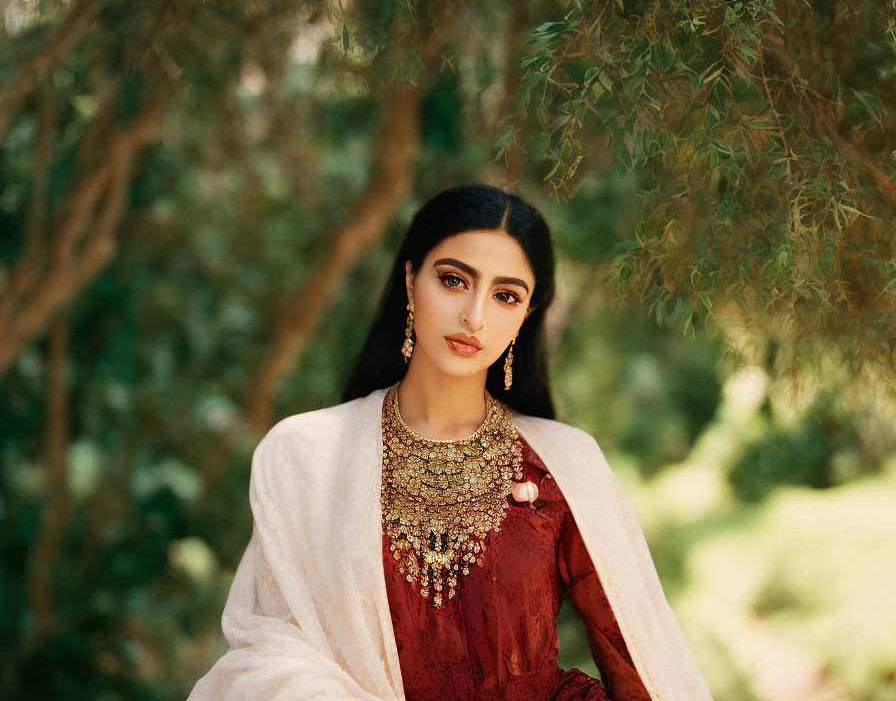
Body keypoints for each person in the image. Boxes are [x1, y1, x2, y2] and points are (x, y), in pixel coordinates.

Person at [188, 184, 713, 701]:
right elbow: (268, 652)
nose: (475, 316)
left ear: (525, 317)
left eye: (506, 295)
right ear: (412, 278)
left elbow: (640, 660)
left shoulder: (564, 465)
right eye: (454, 280)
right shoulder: (306, 454)